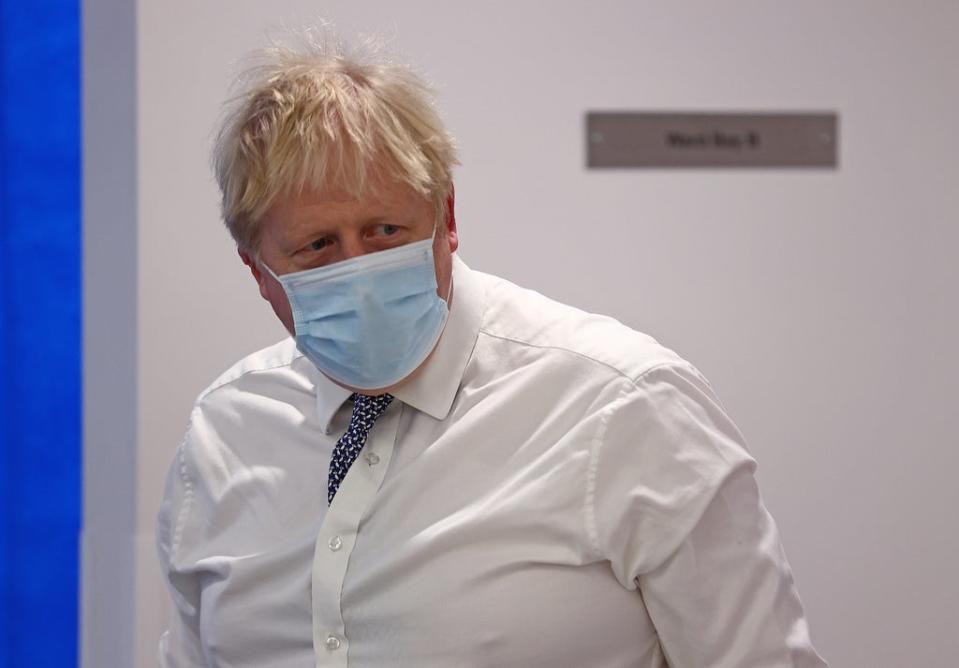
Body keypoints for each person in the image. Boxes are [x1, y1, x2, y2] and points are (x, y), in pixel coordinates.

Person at [156, 32, 828, 668]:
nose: (357, 269)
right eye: (317, 248)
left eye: (385, 230)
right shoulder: (226, 433)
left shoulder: (622, 406)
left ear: (446, 219)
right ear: (257, 270)